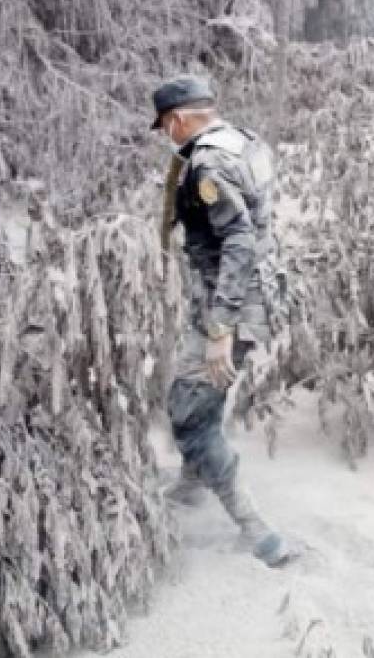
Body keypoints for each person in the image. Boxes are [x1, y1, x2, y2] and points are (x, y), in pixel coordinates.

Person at [151, 73, 292, 568]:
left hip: (229, 305)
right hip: (252, 298)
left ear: (180, 118)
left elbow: (238, 241)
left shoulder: (207, 162)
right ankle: (191, 486)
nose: (167, 136)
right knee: (202, 404)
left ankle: (257, 530)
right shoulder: (243, 141)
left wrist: (220, 329)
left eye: (166, 126)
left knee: (189, 414)